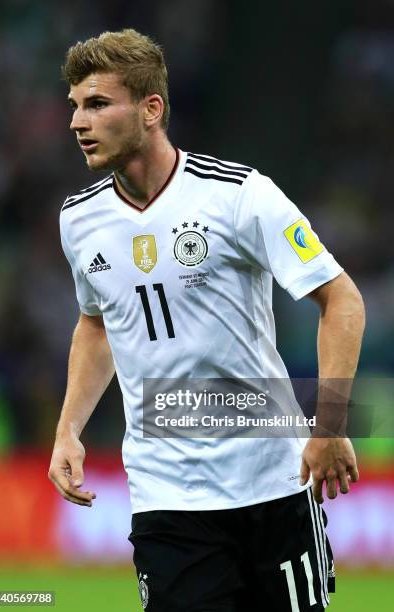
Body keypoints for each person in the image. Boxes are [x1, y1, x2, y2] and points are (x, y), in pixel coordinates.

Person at [48, 28, 365, 612]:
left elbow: (341, 298)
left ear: (151, 109)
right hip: (165, 498)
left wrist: (330, 423)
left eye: (96, 103)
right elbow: (97, 324)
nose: (77, 121)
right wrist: (69, 428)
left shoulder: (239, 196)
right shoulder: (79, 219)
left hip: (271, 481)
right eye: (75, 106)